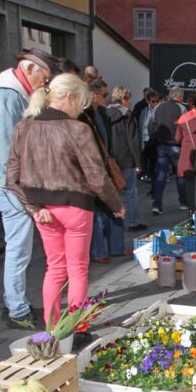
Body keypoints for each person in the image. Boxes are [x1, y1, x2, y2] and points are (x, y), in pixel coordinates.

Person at [6, 73, 124, 326]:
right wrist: (116, 205)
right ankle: (76, 329)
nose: (80, 110)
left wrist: (34, 208)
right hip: (76, 208)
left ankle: (52, 329)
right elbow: (96, 176)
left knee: (55, 269)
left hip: (43, 211)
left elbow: (11, 179)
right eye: (81, 103)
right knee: (78, 270)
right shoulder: (77, 129)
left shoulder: (23, 127)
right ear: (69, 97)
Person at [0, 47, 54, 329]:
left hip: (10, 182)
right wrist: (25, 196)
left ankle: (16, 303)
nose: (45, 84)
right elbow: (4, 152)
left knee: (19, 247)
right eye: (43, 77)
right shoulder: (5, 96)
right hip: (9, 184)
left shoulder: (12, 94)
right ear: (28, 70)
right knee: (19, 249)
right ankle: (16, 309)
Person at [83, 79, 119, 264]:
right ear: (93, 96)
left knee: (107, 209)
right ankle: (97, 252)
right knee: (96, 212)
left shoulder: (103, 114)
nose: (107, 97)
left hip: (104, 164)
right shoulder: (84, 115)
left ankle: (112, 248)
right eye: (104, 94)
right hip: (92, 167)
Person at [108, 86, 146, 235]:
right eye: (128, 99)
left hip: (110, 159)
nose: (129, 102)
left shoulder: (103, 113)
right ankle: (134, 222)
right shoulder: (127, 115)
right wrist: (138, 162)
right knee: (131, 192)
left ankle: (112, 224)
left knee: (112, 193)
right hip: (126, 159)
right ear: (124, 99)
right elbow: (133, 141)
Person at [150, 86, 187, 214]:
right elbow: (185, 127)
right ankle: (183, 202)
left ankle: (157, 204)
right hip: (176, 146)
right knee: (180, 175)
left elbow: (152, 124)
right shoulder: (181, 108)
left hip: (161, 146)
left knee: (160, 175)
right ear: (179, 97)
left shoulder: (158, 107)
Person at [139, 89, 160, 182]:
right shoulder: (144, 111)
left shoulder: (159, 111)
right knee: (144, 159)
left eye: (157, 101)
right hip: (144, 139)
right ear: (148, 101)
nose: (155, 103)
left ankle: (152, 176)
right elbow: (141, 124)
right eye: (153, 101)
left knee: (153, 160)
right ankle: (146, 175)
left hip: (154, 139)